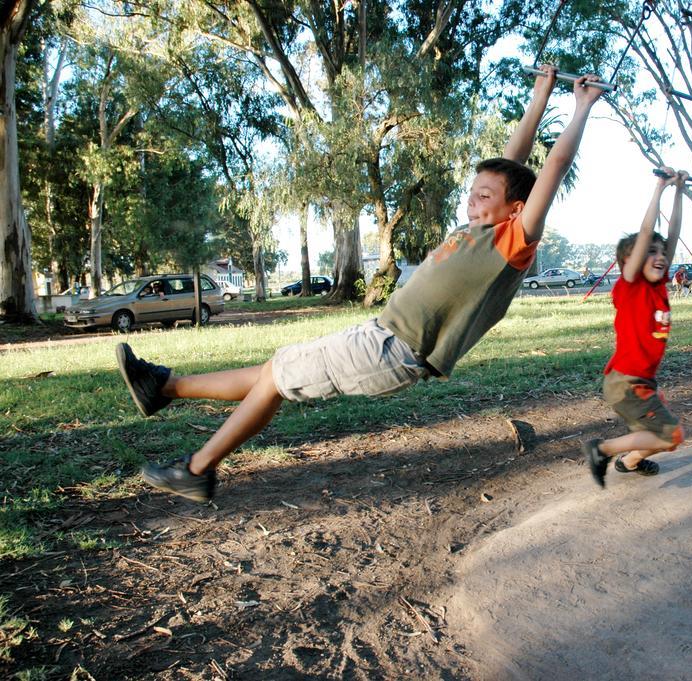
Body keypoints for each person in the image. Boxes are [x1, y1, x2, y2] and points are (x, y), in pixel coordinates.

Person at [117, 66, 606, 503]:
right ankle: (165, 387)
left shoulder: (513, 240)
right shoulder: (482, 227)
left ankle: (197, 469)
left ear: (516, 209)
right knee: (274, 371)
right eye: (471, 194)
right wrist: (541, 92)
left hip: (394, 349)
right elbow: (511, 163)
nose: (472, 203)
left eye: (483, 197)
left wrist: (580, 107)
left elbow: (550, 169)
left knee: (276, 378)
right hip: (379, 335)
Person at [582, 167, 687, 488]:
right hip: (626, 383)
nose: (659, 256)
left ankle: (629, 462)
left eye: (661, 253)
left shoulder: (658, 286)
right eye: (649, 252)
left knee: (666, 439)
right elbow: (646, 231)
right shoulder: (631, 287)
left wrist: (679, 190)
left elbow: (673, 234)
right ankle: (602, 449)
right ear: (630, 263)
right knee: (673, 434)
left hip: (641, 382)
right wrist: (660, 188)